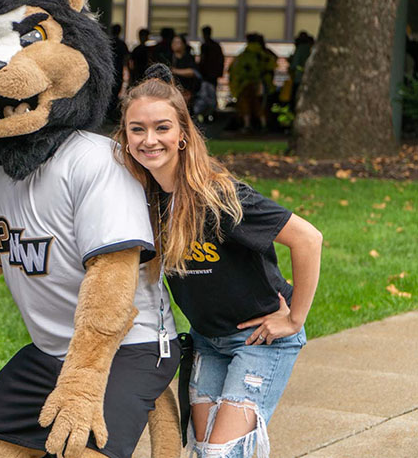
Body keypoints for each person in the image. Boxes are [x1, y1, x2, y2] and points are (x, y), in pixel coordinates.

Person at [114, 64, 322, 458]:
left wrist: (294, 317)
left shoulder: (219, 196)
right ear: (124, 136)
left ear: (182, 136)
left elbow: (309, 239)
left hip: (261, 340)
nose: (149, 139)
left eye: (162, 128)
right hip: (208, 341)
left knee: (222, 453)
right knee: (203, 447)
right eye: (136, 129)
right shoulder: (144, 200)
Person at [169, 34, 200, 101]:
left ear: (183, 45)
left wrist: (174, 71)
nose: (174, 44)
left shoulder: (188, 58)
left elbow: (192, 72)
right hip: (172, 92)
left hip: (187, 91)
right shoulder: (169, 57)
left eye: (177, 42)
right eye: (173, 42)